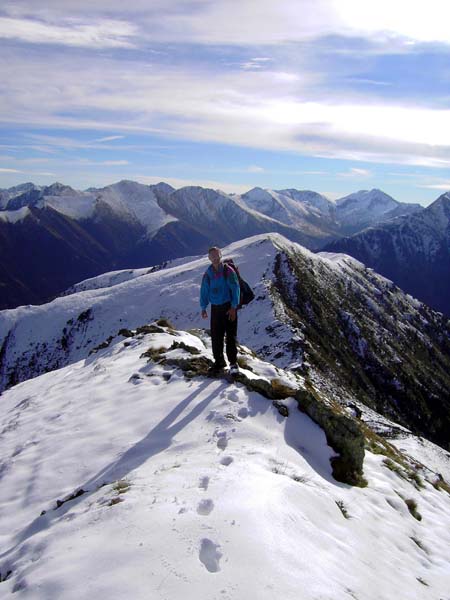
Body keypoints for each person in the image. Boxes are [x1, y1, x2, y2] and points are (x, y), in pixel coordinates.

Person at [200, 246, 240, 374]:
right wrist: (203, 307)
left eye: (217, 256)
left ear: (220, 256)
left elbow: (235, 289)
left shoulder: (228, 271)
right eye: (212, 257)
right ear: (209, 258)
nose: (215, 259)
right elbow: (204, 291)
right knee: (216, 337)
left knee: (230, 337)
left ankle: (233, 364)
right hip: (215, 309)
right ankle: (219, 362)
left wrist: (234, 307)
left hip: (228, 308)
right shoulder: (208, 274)